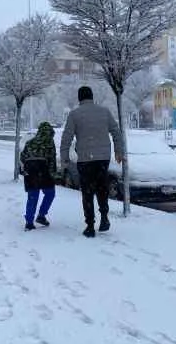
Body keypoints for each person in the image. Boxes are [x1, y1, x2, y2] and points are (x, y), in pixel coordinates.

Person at [60, 86, 124, 238]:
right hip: (103, 158)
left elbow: (66, 137)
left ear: (79, 98)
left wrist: (64, 157)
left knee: (88, 192)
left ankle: (90, 225)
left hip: (85, 159)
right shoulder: (104, 112)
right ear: (92, 96)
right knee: (102, 188)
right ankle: (104, 218)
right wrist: (118, 151)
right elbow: (116, 131)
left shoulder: (74, 115)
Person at [19, 122, 57, 231]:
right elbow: (52, 160)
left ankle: (29, 222)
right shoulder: (49, 143)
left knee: (32, 197)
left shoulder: (30, 142)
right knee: (50, 193)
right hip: (44, 171)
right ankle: (41, 215)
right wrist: (53, 174)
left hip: (31, 171)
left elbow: (23, 157)